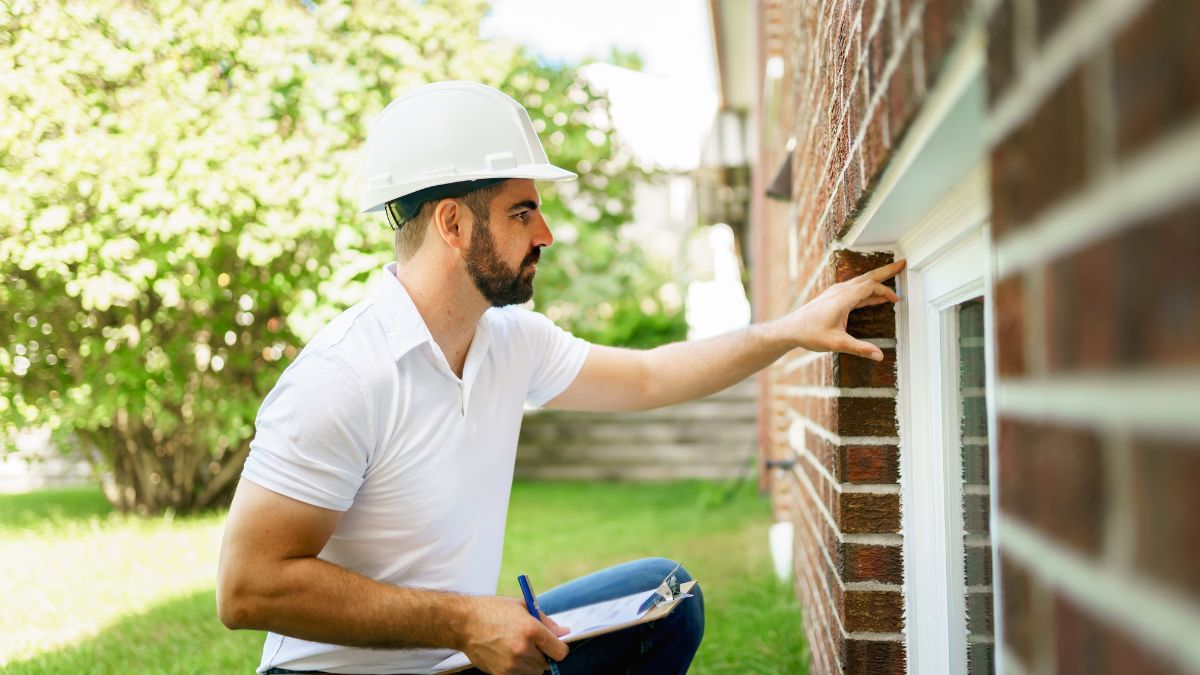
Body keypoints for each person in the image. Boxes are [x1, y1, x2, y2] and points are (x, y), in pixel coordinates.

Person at [216, 81, 904, 675]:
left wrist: (792, 328)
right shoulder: (345, 374)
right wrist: (462, 622)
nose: (546, 232)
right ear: (452, 223)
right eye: (522, 211)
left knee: (665, 596)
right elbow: (248, 586)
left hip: (457, 660)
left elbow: (647, 376)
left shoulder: (509, 339)